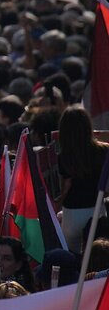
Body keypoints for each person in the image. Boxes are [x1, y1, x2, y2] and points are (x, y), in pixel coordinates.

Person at [57, 107, 109, 253]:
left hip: (72, 214)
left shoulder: (63, 157)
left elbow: (65, 186)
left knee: (72, 255)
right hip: (97, 209)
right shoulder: (103, 151)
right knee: (97, 254)